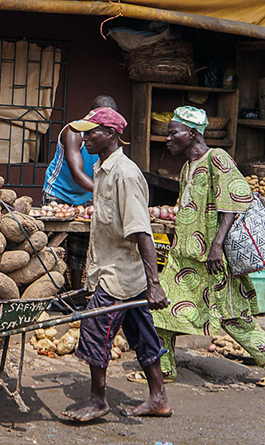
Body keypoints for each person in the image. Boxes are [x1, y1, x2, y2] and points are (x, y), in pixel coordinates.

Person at [136, 106, 265, 383]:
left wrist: (217, 245)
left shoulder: (216, 158)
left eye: (173, 133)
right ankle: (165, 369)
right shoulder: (187, 168)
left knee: (234, 318)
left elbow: (233, 202)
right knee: (161, 311)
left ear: (192, 132)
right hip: (184, 256)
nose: (167, 139)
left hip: (212, 259)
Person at [60, 107, 172, 422]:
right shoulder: (102, 168)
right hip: (115, 268)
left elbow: (142, 232)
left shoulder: (125, 173)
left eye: (90, 132)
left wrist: (154, 284)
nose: (83, 138)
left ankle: (98, 400)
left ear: (109, 135)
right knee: (141, 332)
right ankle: (159, 398)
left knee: (95, 328)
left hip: (120, 274)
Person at [43, 95, 117, 293]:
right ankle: (51, 289)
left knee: (80, 246)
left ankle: (76, 292)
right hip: (58, 191)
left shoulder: (108, 136)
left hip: (85, 195)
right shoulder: (74, 131)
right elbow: (77, 174)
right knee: (53, 245)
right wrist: (106, 192)